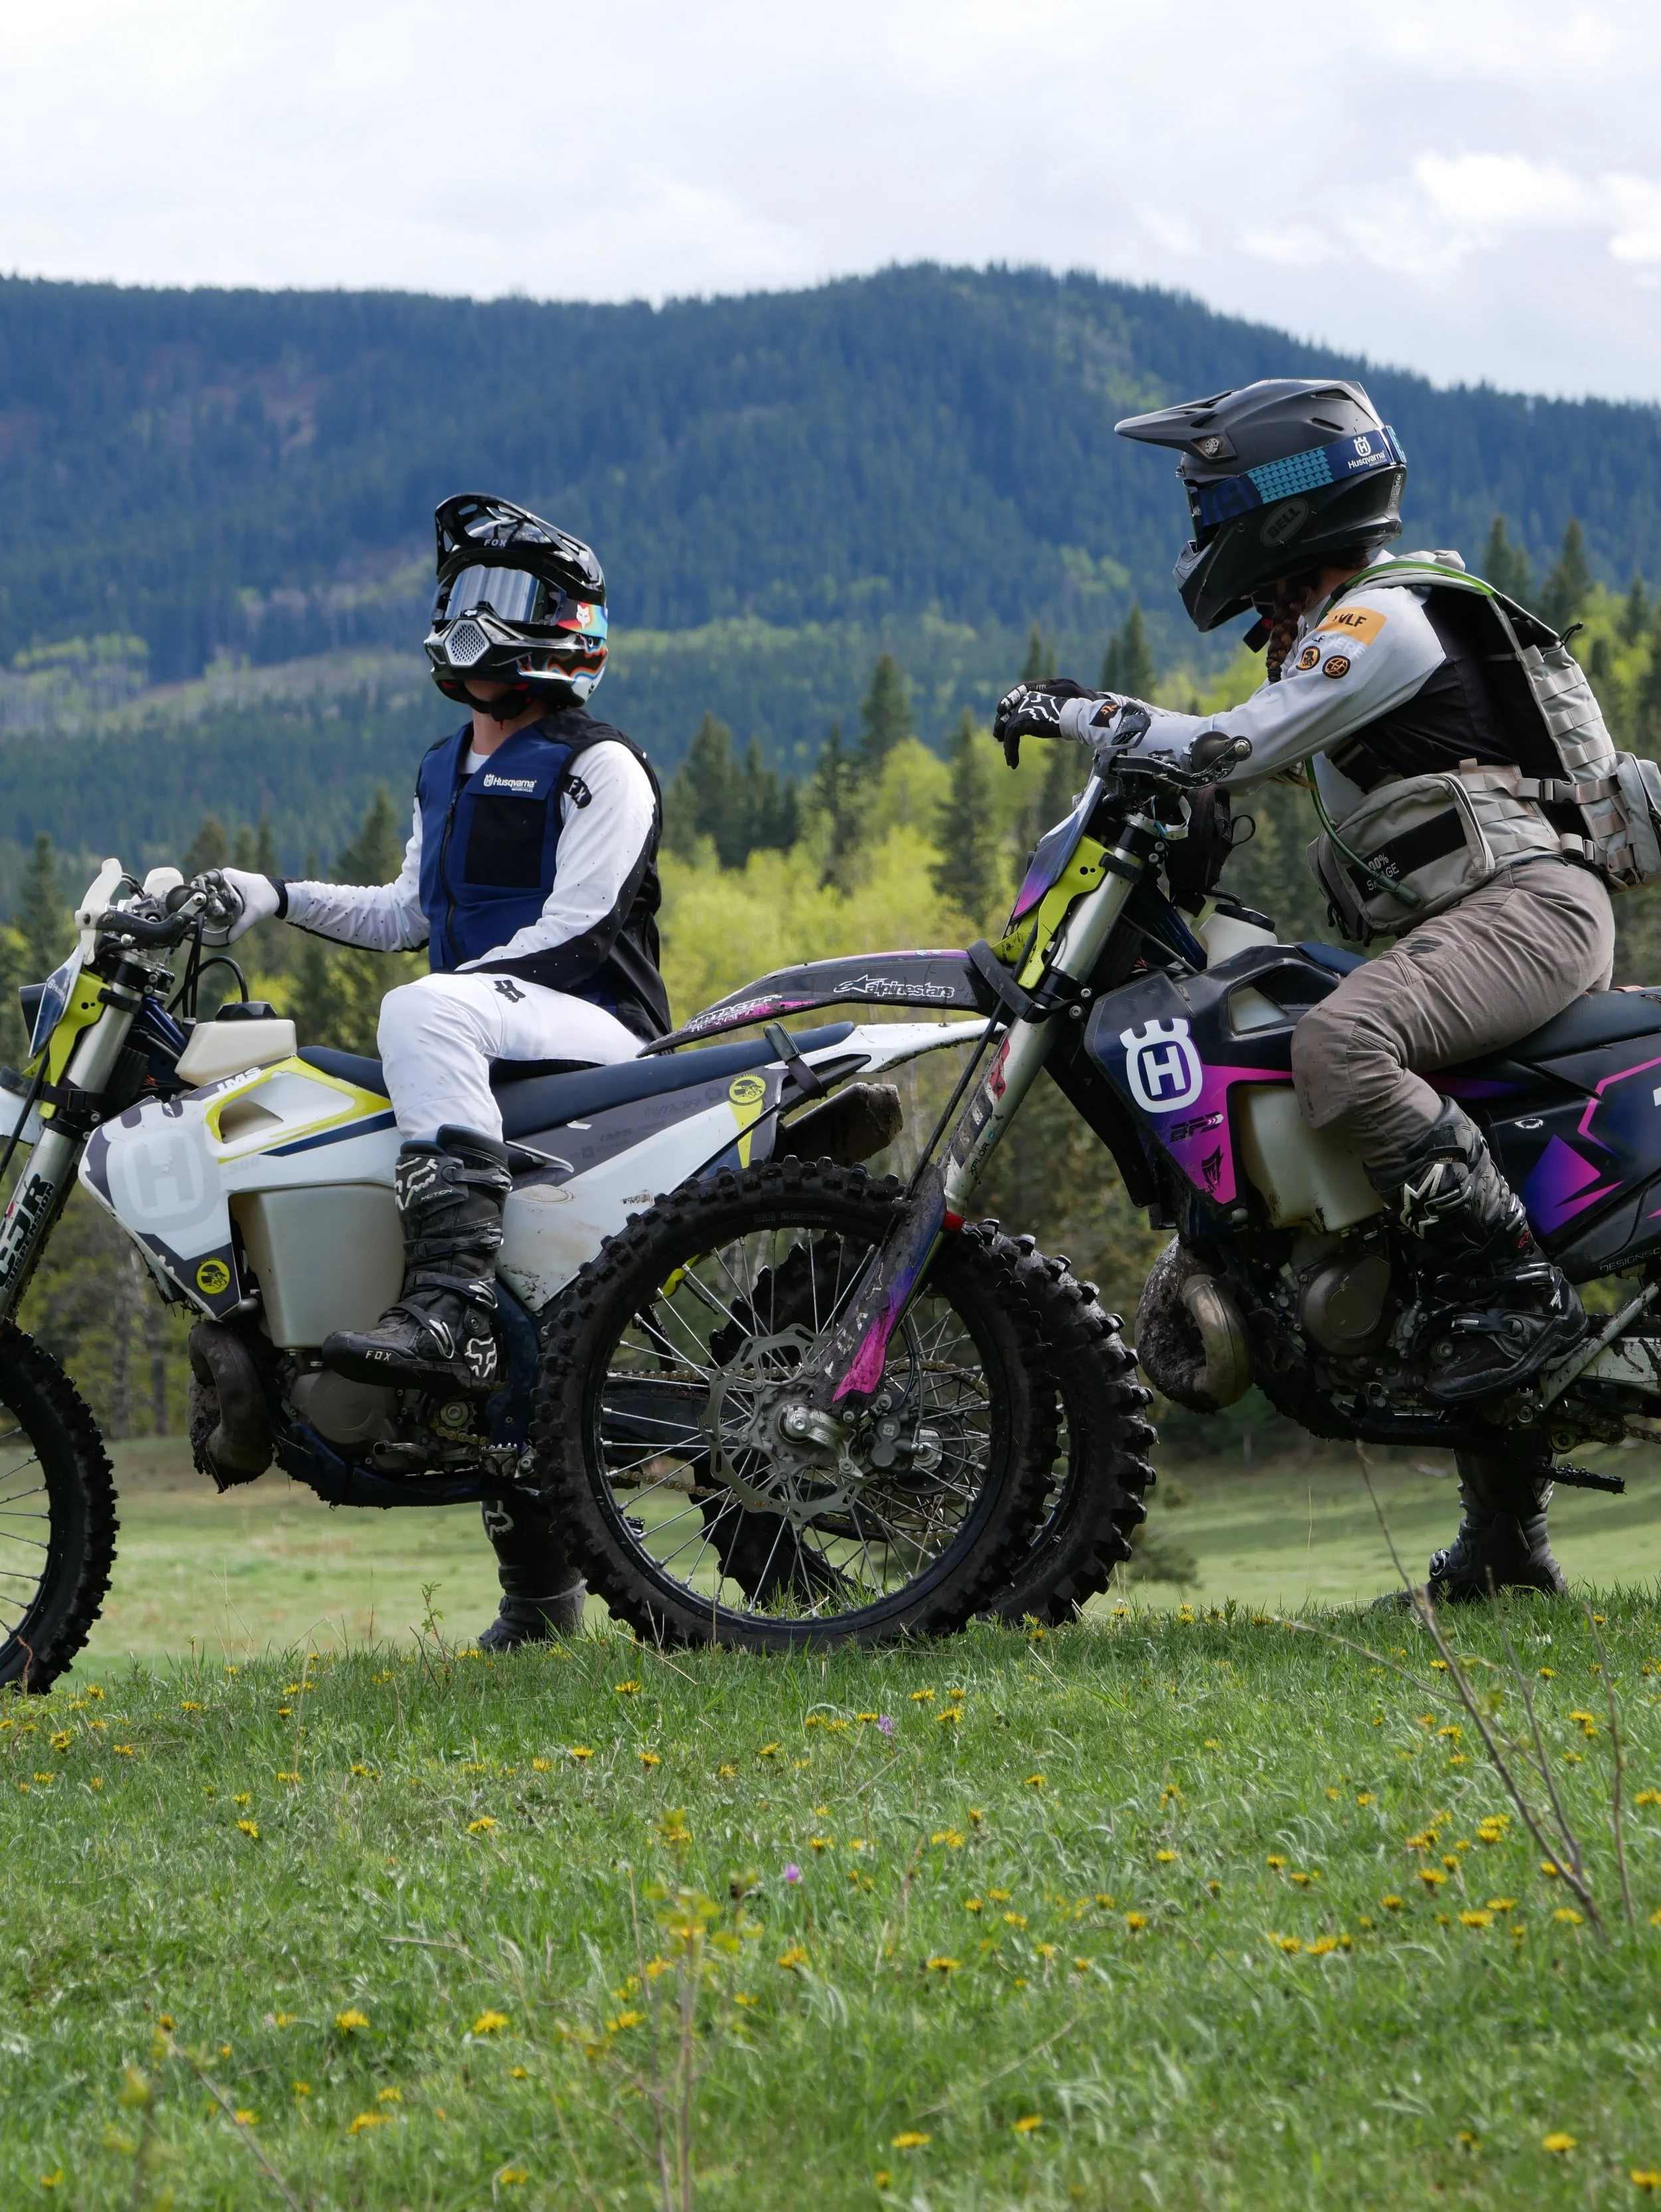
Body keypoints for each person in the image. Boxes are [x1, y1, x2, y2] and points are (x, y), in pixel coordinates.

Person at [994, 378, 1620, 1601]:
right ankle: (1504, 1547)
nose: (1195, 525)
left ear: (1275, 497)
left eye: (1205, 498)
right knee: (1312, 1069)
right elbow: (1264, 766)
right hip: (1476, 922)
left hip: (1528, 912)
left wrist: (1072, 709)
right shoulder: (1345, 634)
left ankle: (1515, 1300)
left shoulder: (1380, 618)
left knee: (1342, 1050)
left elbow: (1232, 743)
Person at [199, 491, 670, 1648]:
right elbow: (408, 909)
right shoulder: (444, 765)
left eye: (500, 601)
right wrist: (274, 897)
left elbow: (585, 929)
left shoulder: (603, 766)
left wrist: (450, 1003)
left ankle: (445, 1306)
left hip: (598, 1035)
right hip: (483, 1031)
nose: (471, 622)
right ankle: (538, 1595)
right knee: (503, 1282)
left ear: (568, 625)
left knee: (420, 1015)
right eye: (460, 597)